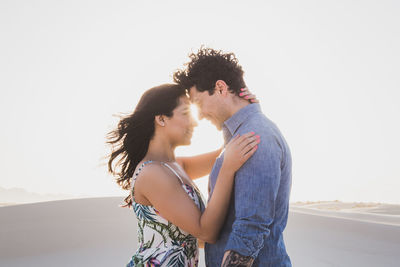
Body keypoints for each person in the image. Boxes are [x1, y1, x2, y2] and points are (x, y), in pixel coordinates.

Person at [107, 84, 259, 266]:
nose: (194, 122)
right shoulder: (151, 173)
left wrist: (244, 111)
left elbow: (228, 152)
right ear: (161, 119)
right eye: (186, 113)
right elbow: (205, 232)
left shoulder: (177, 166)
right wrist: (227, 169)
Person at [173, 47, 292, 267]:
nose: (198, 115)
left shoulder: (254, 137)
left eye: (198, 103)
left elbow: (251, 229)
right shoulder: (237, 140)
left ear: (220, 88)